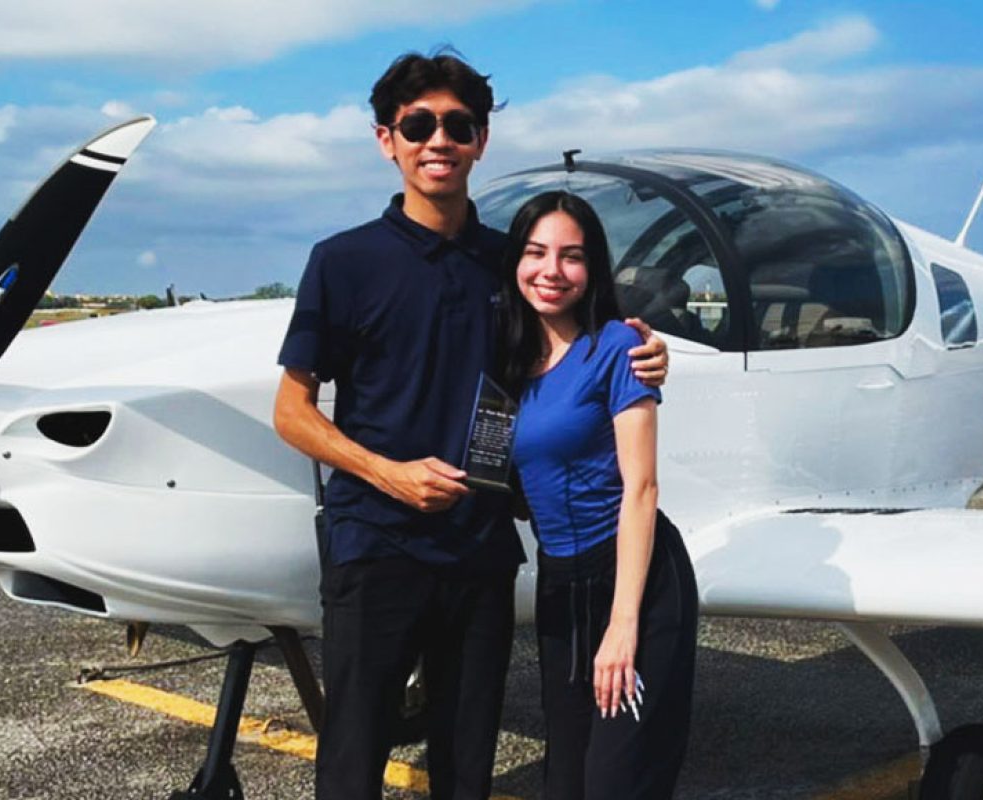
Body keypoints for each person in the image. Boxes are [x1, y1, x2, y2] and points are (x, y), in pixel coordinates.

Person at [272, 51, 670, 800]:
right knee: (353, 760)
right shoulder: (342, 262)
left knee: (466, 766)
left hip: (480, 553)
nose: (438, 140)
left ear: (481, 140)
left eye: (458, 125)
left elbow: (594, 344)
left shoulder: (511, 264)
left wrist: (651, 350)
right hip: (375, 545)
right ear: (386, 139)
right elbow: (290, 412)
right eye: (417, 124)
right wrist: (387, 473)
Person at [498, 191, 698, 800]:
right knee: (566, 782)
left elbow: (640, 489)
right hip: (562, 584)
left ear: (593, 270)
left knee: (618, 782)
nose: (551, 271)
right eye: (536, 253)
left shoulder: (617, 347)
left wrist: (623, 627)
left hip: (634, 578)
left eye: (572, 257)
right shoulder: (507, 357)